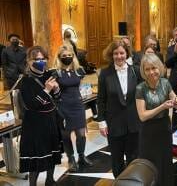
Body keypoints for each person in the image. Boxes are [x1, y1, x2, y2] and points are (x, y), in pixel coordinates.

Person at [18, 46, 62, 186]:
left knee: (52, 151)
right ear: (29, 61)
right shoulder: (25, 81)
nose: (40, 61)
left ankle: (50, 180)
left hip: (50, 119)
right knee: (35, 157)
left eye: (43, 59)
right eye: (36, 59)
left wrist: (56, 90)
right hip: (34, 123)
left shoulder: (49, 75)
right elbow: (32, 104)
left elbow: (57, 98)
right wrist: (47, 90)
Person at [97, 39, 142, 178]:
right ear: (111, 55)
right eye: (115, 53)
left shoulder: (135, 70)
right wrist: (101, 122)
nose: (119, 56)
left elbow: (142, 96)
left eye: (122, 53)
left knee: (133, 158)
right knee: (116, 159)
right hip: (114, 123)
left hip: (133, 123)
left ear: (127, 53)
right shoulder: (105, 73)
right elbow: (101, 99)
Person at [135, 54, 176, 186]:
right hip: (148, 132)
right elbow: (143, 115)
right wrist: (162, 107)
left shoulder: (165, 83)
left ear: (159, 67)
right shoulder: (140, 88)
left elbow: (175, 100)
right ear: (143, 71)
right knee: (150, 165)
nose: (152, 72)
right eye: (147, 69)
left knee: (165, 162)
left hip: (164, 129)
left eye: (154, 68)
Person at [54, 44, 92, 172]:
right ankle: (71, 159)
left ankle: (81, 156)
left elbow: (79, 86)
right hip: (63, 105)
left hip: (77, 105)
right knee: (66, 134)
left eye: (69, 55)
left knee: (81, 133)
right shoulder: (56, 73)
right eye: (64, 56)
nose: (67, 57)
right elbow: (54, 92)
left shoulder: (79, 70)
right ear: (59, 57)